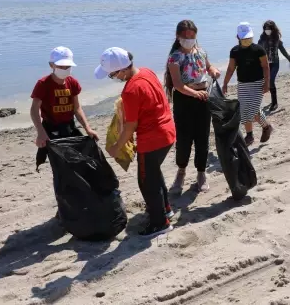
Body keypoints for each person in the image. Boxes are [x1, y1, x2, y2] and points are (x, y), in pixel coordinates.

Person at [96, 47, 176, 238]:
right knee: (153, 173)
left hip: (152, 138)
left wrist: (117, 147)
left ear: (122, 70)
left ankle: (160, 223)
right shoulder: (146, 71)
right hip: (168, 131)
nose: (113, 78)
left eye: (112, 75)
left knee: (146, 181)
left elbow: (131, 126)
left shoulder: (131, 90)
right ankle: (165, 209)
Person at [165, 20, 220, 194]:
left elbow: (209, 66)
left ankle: (201, 174)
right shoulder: (175, 57)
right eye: (185, 36)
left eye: (192, 35)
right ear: (178, 36)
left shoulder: (201, 51)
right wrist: (194, 93)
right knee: (184, 139)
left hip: (204, 99)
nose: (189, 39)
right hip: (184, 100)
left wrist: (213, 71)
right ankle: (181, 172)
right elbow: (178, 85)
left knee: (202, 137)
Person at [31, 46, 98, 169]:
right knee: (60, 165)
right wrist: (41, 133)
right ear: (52, 65)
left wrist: (88, 128)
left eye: (68, 66)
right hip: (50, 129)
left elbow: (77, 108)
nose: (65, 69)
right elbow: (34, 110)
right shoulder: (43, 84)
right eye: (61, 66)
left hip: (69, 127)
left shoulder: (72, 82)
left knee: (80, 161)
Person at [223, 22, 273, 147]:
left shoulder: (258, 50)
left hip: (257, 84)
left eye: (248, 38)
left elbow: (265, 67)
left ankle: (258, 131)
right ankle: (257, 131)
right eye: (243, 38)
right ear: (238, 37)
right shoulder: (234, 51)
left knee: (252, 110)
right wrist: (225, 83)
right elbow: (230, 68)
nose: (246, 40)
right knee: (247, 110)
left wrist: (267, 83)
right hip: (243, 85)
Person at [258, 20, 290, 112]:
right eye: (265, 29)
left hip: (275, 64)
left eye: (269, 29)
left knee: (271, 81)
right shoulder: (262, 39)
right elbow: (257, 51)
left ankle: (274, 103)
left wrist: (289, 58)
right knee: (266, 82)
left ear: (273, 29)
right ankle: (269, 102)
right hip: (265, 64)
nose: (267, 30)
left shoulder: (276, 39)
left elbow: (282, 50)